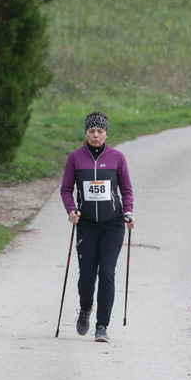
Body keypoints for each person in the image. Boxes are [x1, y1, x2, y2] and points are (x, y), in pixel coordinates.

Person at [60, 111, 135, 343]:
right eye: (91, 131)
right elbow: (66, 189)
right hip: (87, 224)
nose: (95, 135)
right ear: (86, 133)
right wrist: (71, 210)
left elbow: (126, 189)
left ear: (106, 134)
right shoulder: (76, 157)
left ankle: (102, 326)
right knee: (86, 277)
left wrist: (128, 212)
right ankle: (85, 309)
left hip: (113, 224)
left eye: (100, 131)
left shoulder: (117, 157)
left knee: (107, 273)